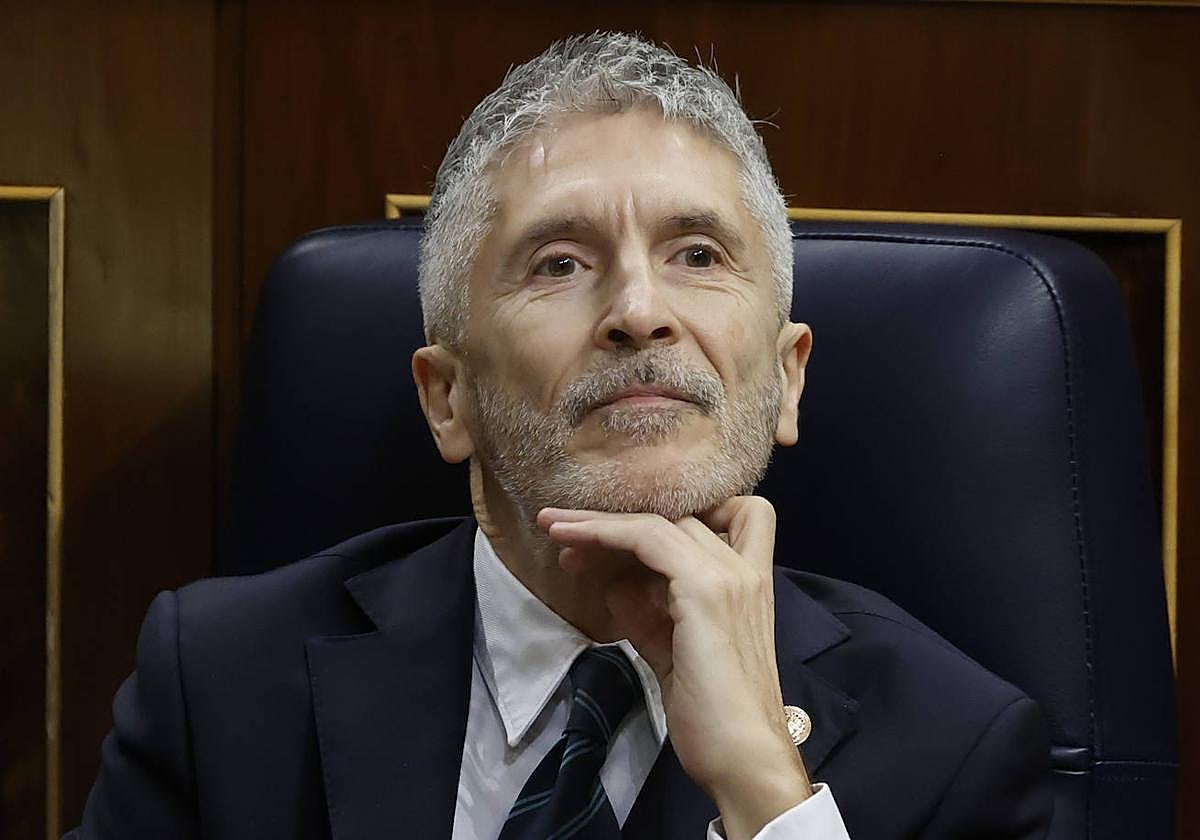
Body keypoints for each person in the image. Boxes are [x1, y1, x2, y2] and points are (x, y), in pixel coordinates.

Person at [69, 32, 1053, 839]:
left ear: (788, 378)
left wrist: (764, 787)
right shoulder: (219, 686)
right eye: (559, 263)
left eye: (697, 253)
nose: (639, 311)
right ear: (447, 399)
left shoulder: (955, 750)